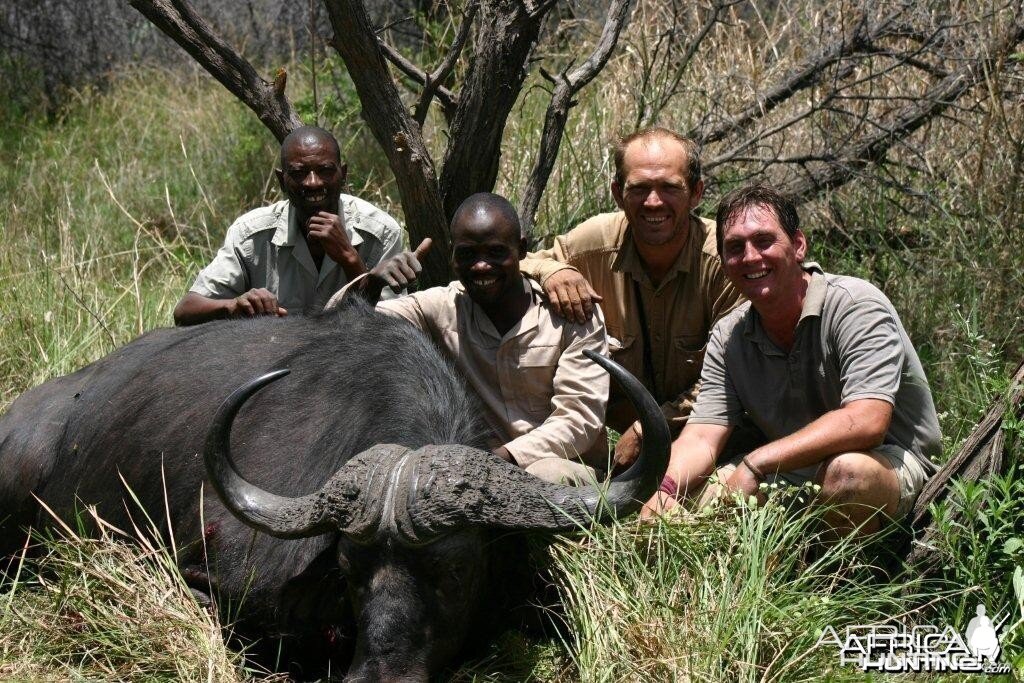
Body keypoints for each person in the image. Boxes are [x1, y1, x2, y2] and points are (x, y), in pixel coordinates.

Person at [642, 184, 940, 534]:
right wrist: (663, 492)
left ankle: (842, 581)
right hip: (789, 471)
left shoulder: (855, 305)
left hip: (889, 463)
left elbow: (867, 421)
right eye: (735, 248)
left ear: (798, 245)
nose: (751, 257)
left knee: (847, 475)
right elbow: (703, 437)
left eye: (764, 241)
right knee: (676, 508)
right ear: (723, 262)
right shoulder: (729, 335)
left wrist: (757, 463)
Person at [329, 193, 610, 485]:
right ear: (452, 256)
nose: (481, 266)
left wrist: (497, 459)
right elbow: (342, 328)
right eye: (467, 254)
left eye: (496, 252)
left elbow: (578, 419)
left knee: (544, 476)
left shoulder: (572, 312)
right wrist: (371, 283)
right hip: (470, 475)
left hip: (561, 467)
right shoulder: (440, 307)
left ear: (522, 249)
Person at [520, 128, 743, 473]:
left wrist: (648, 429)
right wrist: (551, 272)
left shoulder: (724, 260)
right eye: (639, 189)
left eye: (670, 188)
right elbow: (522, 264)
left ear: (696, 193)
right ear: (618, 194)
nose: (653, 202)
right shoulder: (594, 242)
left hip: (705, 433)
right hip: (610, 443)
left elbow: (731, 376)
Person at [173, 126, 404, 326]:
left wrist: (350, 258)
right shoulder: (251, 234)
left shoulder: (380, 232)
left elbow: (393, 328)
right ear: (282, 180)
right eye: (299, 173)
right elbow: (185, 311)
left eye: (325, 170)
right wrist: (234, 306)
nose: (313, 183)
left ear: (343, 174)